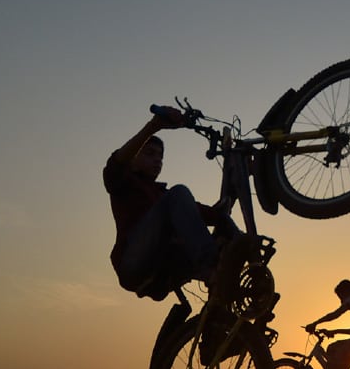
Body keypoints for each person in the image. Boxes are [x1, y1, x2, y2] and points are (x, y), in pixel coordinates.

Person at [104, 109, 247, 297]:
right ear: (133, 159)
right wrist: (153, 127)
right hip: (133, 264)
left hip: (163, 267)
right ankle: (210, 265)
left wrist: (242, 178)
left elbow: (207, 214)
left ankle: (232, 283)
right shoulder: (123, 181)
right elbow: (118, 162)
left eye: (160, 157)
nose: (157, 160)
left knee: (222, 228)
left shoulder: (164, 197)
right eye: (150, 154)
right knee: (179, 192)